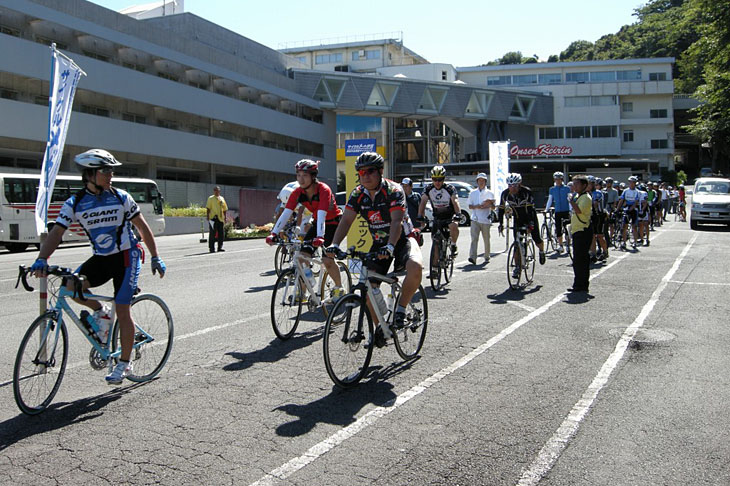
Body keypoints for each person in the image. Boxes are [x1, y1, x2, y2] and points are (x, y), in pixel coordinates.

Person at [30, 149, 166, 384]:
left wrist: (155, 256)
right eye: (106, 170)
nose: (111, 174)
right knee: (71, 285)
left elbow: (143, 228)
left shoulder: (121, 197)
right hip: (102, 258)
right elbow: (57, 233)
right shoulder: (75, 203)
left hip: (127, 256)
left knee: (123, 308)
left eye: (111, 170)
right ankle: (101, 312)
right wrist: (42, 258)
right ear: (90, 174)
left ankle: (124, 363)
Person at [325, 152, 422, 348]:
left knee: (415, 266)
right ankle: (381, 328)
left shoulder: (394, 190)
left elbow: (396, 222)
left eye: (370, 171)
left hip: (402, 239)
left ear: (380, 172)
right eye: (361, 172)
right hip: (379, 244)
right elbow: (346, 220)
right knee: (368, 287)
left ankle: (402, 309)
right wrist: (335, 244)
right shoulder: (358, 194)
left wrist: (391, 246)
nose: (365, 175)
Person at [267, 159, 344, 299]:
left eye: (305, 175)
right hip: (318, 222)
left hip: (333, 223)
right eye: (298, 175)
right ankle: (303, 291)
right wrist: (274, 233)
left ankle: (339, 287)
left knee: (327, 260)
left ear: (313, 176)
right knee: (302, 257)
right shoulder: (297, 192)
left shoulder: (323, 190)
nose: (301, 179)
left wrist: (320, 236)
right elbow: (286, 213)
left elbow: (322, 214)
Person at [497, 173, 546, 280]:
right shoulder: (505, 194)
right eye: (510, 186)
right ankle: (517, 267)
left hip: (529, 217)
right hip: (517, 219)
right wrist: (500, 224)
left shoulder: (526, 192)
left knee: (536, 238)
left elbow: (530, 211)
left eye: (514, 186)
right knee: (517, 244)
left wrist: (530, 224)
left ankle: (541, 251)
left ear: (519, 184)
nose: (512, 188)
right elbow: (501, 209)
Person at [418, 166, 461, 276]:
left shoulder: (449, 188)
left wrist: (458, 214)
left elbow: (455, 201)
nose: (437, 182)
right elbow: (422, 202)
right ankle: (435, 269)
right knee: (436, 243)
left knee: (454, 226)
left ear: (444, 179)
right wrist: (420, 216)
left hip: (449, 215)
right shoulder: (428, 189)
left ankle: (453, 245)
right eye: (434, 179)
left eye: (440, 179)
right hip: (437, 217)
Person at [568, 174, 592, 292]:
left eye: (577, 184)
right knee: (578, 259)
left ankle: (581, 285)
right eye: (574, 184)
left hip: (583, 230)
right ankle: (579, 283)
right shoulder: (579, 196)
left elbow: (578, 210)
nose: (574, 186)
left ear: (584, 185)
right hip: (577, 230)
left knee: (580, 259)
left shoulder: (585, 198)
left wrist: (571, 201)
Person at [467, 173, 495, 265]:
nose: (481, 182)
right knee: (474, 239)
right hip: (475, 219)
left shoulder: (490, 193)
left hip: (486, 219)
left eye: (483, 181)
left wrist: (489, 204)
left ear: (485, 182)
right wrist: (477, 206)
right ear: (477, 182)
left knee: (486, 239)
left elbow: (494, 207)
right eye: (479, 181)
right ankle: (472, 257)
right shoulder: (472, 193)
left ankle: (487, 256)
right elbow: (470, 206)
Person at [544, 171, 571, 253]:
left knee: (567, 229)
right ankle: (560, 246)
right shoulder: (552, 189)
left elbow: (569, 200)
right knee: (558, 229)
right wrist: (546, 209)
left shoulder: (567, 188)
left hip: (566, 210)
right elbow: (550, 200)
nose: (558, 181)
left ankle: (568, 245)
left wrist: (570, 210)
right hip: (558, 211)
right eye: (556, 179)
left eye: (559, 179)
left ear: (562, 179)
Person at [616, 176, 641, 249]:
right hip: (626, 208)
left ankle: (635, 242)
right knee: (624, 226)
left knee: (634, 226)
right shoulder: (625, 191)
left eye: (633, 182)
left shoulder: (637, 192)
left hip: (634, 210)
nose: (631, 184)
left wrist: (630, 209)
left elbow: (636, 202)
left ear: (635, 183)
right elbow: (621, 200)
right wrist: (617, 209)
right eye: (630, 182)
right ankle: (624, 242)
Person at [206, 186, 228, 253]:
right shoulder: (211, 198)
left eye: (218, 190)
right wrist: (208, 216)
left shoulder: (221, 198)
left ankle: (220, 247)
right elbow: (208, 208)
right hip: (213, 218)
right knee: (212, 234)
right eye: (215, 190)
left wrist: (225, 217)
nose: (216, 191)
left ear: (219, 191)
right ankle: (211, 248)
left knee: (221, 233)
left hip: (220, 218)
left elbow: (224, 209)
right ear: (214, 191)